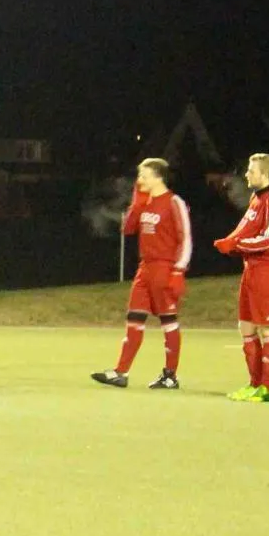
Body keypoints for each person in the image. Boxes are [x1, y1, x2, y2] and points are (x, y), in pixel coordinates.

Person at [91, 157, 193, 390]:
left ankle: (170, 376)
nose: (139, 180)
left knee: (168, 321)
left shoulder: (174, 202)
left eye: (144, 176)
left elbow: (185, 238)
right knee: (134, 319)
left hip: (164, 268)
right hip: (144, 269)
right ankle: (121, 372)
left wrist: (178, 271)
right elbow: (127, 229)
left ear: (158, 177)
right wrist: (136, 204)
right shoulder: (145, 202)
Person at [214, 152, 269, 402]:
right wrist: (229, 241)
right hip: (251, 271)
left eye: (251, 170)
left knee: (268, 329)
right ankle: (254, 383)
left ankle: (266, 388)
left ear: (265, 174)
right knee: (246, 327)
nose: (246, 174)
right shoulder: (255, 199)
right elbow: (243, 230)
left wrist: (236, 245)